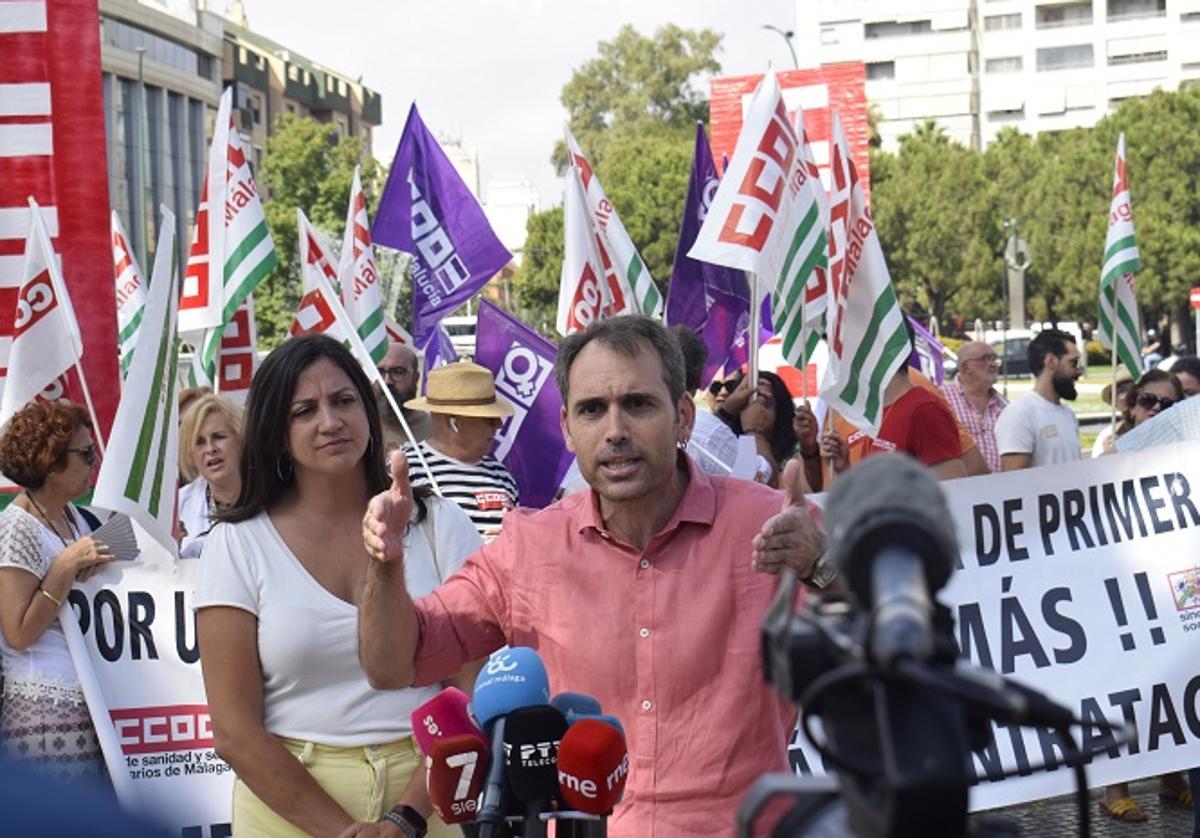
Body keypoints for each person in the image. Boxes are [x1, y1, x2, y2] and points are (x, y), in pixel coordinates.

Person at [358, 315, 826, 837]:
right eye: (592, 410)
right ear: (567, 429)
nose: (616, 431)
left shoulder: (772, 527)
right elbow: (393, 664)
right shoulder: (528, 547)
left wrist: (822, 568)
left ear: (684, 418)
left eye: (639, 404)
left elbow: (892, 655)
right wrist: (385, 565)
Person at [194, 335, 482, 837]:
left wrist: (407, 815)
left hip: (427, 803)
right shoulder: (236, 545)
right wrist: (342, 831)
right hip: (286, 814)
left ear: (368, 412)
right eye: (304, 410)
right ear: (276, 432)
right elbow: (235, 732)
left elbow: (474, 689)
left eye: (344, 400)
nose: (330, 422)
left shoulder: (441, 524)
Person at [0, 401, 113, 783]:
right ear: (50, 463)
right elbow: (17, 633)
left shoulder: (74, 515)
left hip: (88, 700)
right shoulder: (17, 528)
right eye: (85, 454)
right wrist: (65, 566)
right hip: (44, 712)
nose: (94, 461)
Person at [1100, 368, 1188, 822]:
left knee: (1173, 681)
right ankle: (1116, 786)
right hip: (1123, 585)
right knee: (1127, 689)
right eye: (1148, 401)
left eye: (1168, 405)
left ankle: (1173, 779)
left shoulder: (1188, 455)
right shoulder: (1106, 451)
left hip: (1172, 585)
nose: (1155, 410)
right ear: (1131, 406)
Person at [806, 357, 967, 491]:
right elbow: (874, 495)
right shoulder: (878, 411)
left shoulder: (924, 409)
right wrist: (845, 468)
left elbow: (951, 498)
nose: (843, 358)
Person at [401, 361, 519, 539]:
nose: (499, 424)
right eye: (489, 418)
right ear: (453, 423)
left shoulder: (502, 475)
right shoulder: (406, 470)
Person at [995, 329, 1084, 470]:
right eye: (1073, 363)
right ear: (1050, 361)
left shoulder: (1069, 414)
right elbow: (1014, 482)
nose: (1079, 371)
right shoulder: (1019, 414)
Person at [177, 394, 244, 558]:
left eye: (219, 437)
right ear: (190, 455)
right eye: (199, 442)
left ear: (241, 439)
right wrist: (170, 552)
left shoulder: (275, 496)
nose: (210, 449)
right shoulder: (177, 505)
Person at [670, 325, 741, 476]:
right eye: (715, 386)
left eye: (731, 386)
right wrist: (755, 430)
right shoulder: (711, 432)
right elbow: (751, 477)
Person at [719, 370, 797, 487]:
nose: (754, 408)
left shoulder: (796, 451)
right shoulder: (726, 446)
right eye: (747, 402)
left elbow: (766, 486)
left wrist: (756, 431)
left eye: (763, 402)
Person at [940, 341, 1007, 473]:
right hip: (959, 488)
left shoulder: (1005, 406)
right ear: (965, 368)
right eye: (985, 359)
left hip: (1002, 490)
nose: (993, 364)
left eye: (994, 358)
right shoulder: (941, 400)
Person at [376, 342, 431, 454]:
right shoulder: (359, 428)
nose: (387, 381)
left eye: (397, 372)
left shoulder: (437, 430)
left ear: (415, 378)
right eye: (379, 372)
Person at [1093, 368, 1135, 457]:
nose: (1128, 395)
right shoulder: (1106, 435)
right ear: (1114, 403)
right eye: (1121, 391)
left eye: (1133, 388)